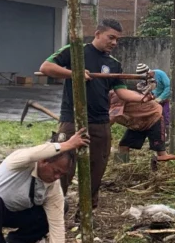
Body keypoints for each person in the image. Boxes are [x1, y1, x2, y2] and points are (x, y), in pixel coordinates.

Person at [39, 19, 148, 207]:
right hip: (72, 119)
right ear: (98, 34)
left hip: (100, 122)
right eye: (111, 37)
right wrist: (75, 73)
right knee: (61, 162)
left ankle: (87, 210)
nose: (114, 43)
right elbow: (46, 68)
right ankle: (55, 207)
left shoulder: (113, 64)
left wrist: (143, 98)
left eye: (117, 40)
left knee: (97, 167)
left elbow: (121, 91)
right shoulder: (75, 51)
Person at [110, 89, 171, 165]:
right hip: (138, 122)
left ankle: (165, 169)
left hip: (153, 117)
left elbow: (112, 117)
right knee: (123, 145)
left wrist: (101, 130)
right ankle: (120, 167)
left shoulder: (116, 95)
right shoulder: (105, 101)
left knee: (160, 150)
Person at [136, 64, 172, 135]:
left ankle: (167, 136)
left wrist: (160, 98)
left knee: (165, 116)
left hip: (164, 98)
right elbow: (145, 89)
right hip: (153, 98)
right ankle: (156, 134)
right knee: (153, 117)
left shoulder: (160, 74)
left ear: (148, 72)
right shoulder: (145, 79)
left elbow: (168, 87)